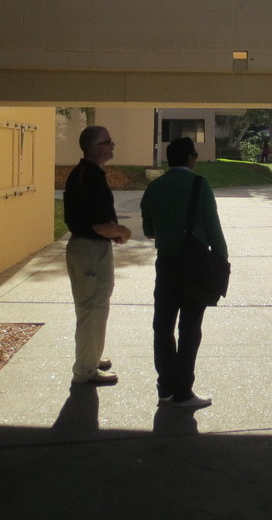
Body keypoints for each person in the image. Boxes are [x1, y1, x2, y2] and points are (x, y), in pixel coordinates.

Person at [140, 137, 227, 409]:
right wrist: (221, 263)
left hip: (165, 264)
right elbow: (214, 230)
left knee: (163, 326)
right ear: (191, 158)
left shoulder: (154, 188)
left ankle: (165, 386)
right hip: (194, 265)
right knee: (190, 328)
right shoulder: (200, 185)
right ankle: (183, 391)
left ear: (168, 159)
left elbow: (149, 230)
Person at [63, 125, 131, 386]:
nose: (113, 145)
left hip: (90, 249)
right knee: (92, 308)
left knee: (94, 306)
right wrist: (122, 231)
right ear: (94, 148)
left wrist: (111, 233)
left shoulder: (87, 174)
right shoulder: (89, 177)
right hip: (90, 251)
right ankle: (85, 371)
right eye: (108, 141)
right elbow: (100, 225)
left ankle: (91, 358)